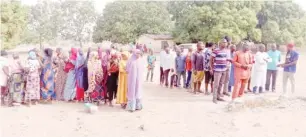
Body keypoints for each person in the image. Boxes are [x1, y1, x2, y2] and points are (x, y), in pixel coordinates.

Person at [210, 38, 229, 103]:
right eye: (224, 42)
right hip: (217, 70)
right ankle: (214, 98)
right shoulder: (216, 50)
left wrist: (226, 65)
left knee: (221, 84)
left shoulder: (226, 51)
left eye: (226, 42)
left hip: (224, 69)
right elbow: (211, 60)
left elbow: (226, 59)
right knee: (216, 84)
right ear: (220, 43)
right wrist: (211, 68)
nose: (225, 43)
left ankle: (218, 97)